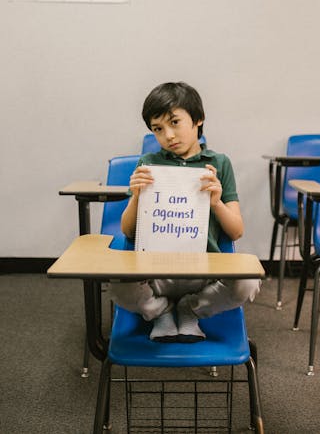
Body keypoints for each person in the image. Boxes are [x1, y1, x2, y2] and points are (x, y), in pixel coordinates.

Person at [109, 82, 261, 342]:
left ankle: (190, 309)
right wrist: (136, 197)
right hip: (155, 270)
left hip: (204, 271)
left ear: (198, 120)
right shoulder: (149, 163)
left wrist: (216, 202)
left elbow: (236, 230)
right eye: (158, 129)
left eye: (175, 122)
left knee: (247, 282)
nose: (168, 135)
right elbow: (127, 230)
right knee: (117, 285)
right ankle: (161, 312)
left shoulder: (219, 163)